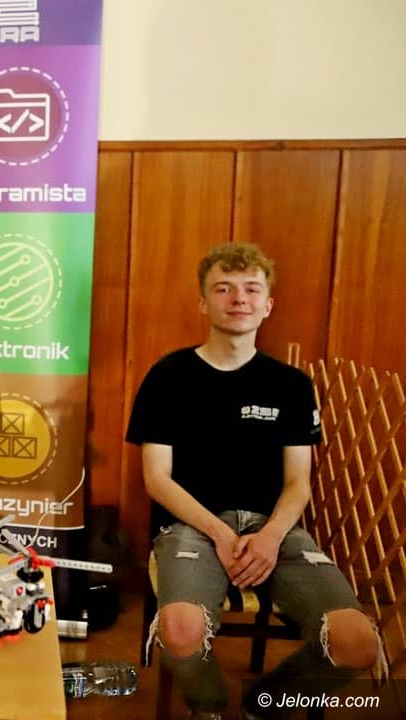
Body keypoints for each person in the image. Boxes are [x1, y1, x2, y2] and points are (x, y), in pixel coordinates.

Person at [126, 243, 385, 720]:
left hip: (274, 528)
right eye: (223, 288)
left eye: (250, 289)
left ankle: (263, 706)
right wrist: (221, 534)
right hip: (190, 528)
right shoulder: (168, 376)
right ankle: (209, 707)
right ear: (203, 303)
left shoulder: (291, 384)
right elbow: (157, 479)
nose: (238, 298)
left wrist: (269, 537)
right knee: (179, 631)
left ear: (268, 305)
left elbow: (299, 481)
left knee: (357, 644)